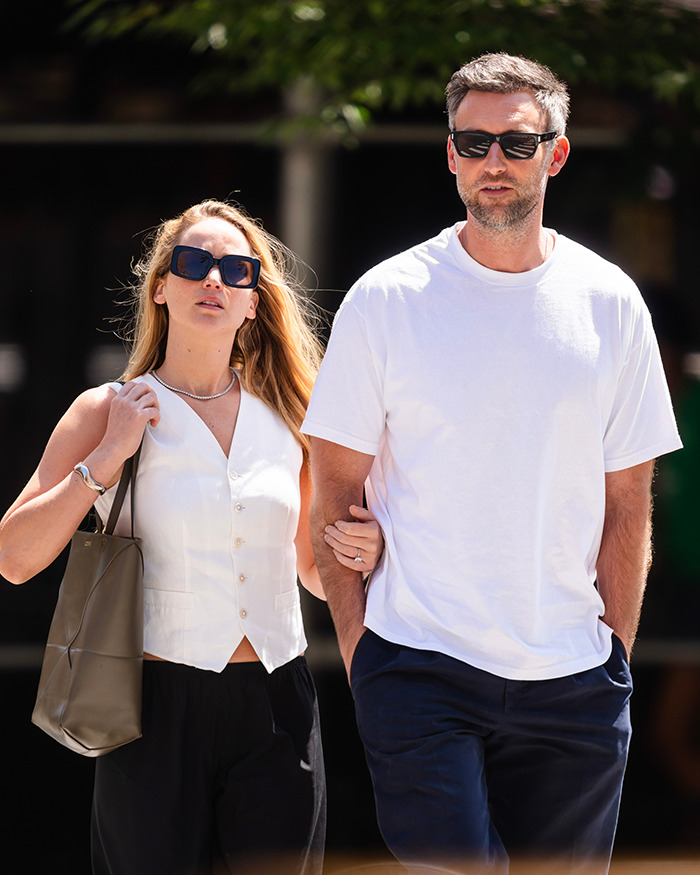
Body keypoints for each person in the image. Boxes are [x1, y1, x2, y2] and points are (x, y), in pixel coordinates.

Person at [302, 53, 682, 874]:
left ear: (557, 152)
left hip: (574, 676)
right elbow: (331, 493)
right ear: (449, 155)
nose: (492, 164)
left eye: (514, 143)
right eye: (471, 144)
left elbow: (629, 504)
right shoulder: (386, 299)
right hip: (418, 665)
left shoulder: (611, 302)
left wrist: (614, 651)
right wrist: (363, 651)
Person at [0, 199, 384, 875]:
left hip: (277, 702)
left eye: (235, 270)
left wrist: (365, 552)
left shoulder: (294, 419)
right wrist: (105, 459)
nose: (214, 279)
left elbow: (314, 570)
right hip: (150, 707)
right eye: (193, 262)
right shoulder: (108, 408)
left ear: (253, 303)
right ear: (161, 287)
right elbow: (14, 558)